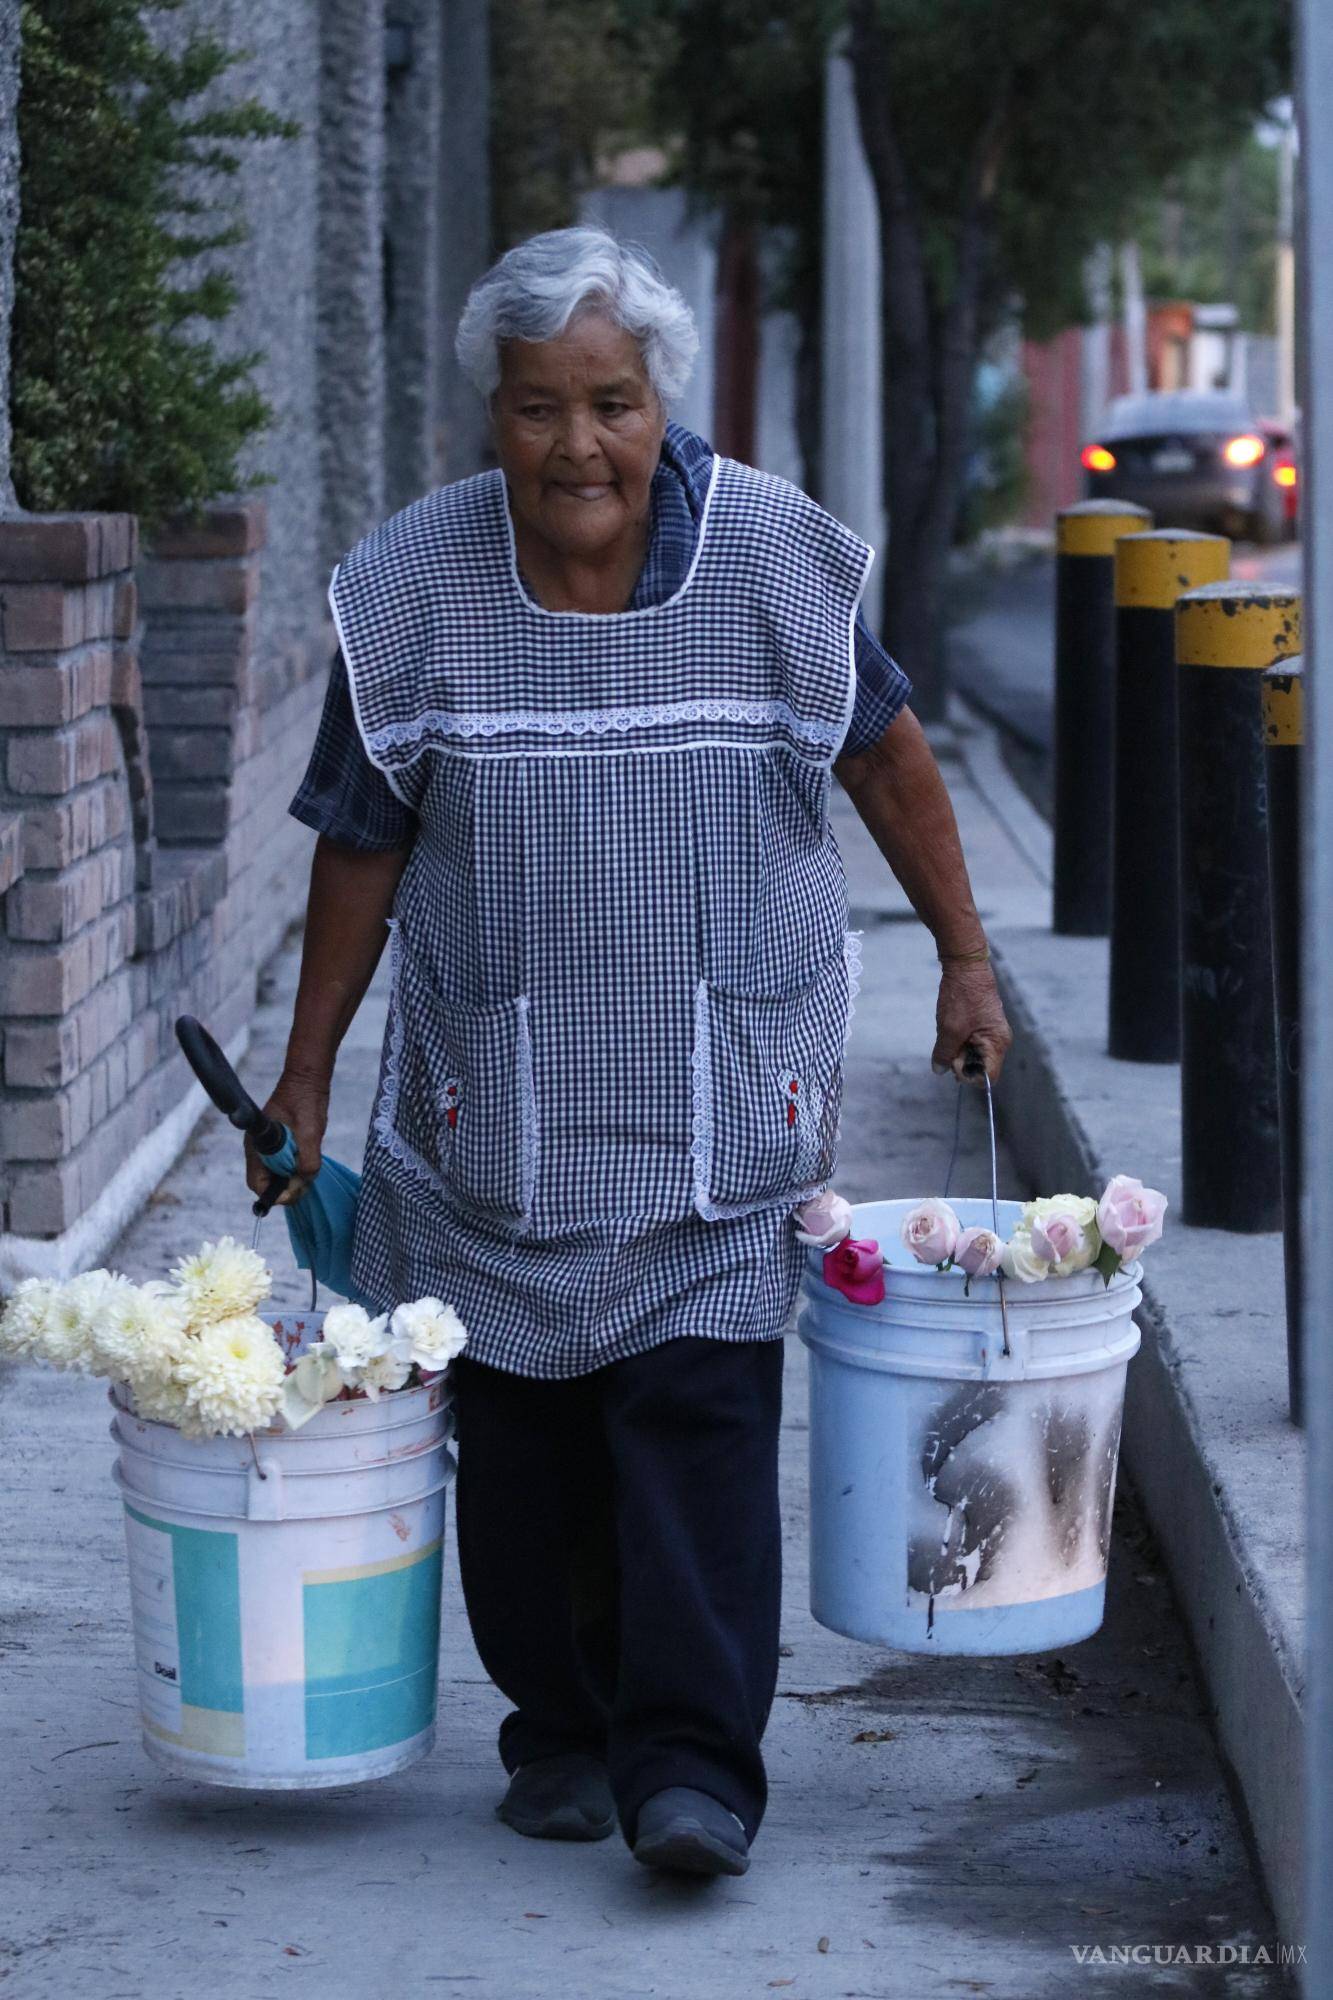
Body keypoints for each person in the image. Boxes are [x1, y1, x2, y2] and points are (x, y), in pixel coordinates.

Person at [249, 225, 1011, 1880]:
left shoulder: (772, 560)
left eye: (609, 403)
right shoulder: (412, 584)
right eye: (538, 407)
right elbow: (361, 837)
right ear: (491, 413)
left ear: (659, 397)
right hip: (497, 1104)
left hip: (716, 1100)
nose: (577, 446)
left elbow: (888, 761)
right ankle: (561, 1731)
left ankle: (690, 1774)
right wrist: (305, 1070)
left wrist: (964, 957)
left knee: (695, 1431)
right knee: (522, 1451)